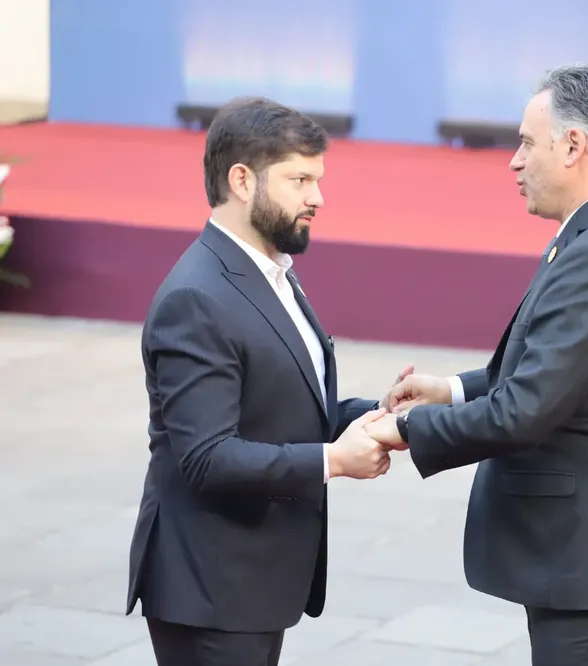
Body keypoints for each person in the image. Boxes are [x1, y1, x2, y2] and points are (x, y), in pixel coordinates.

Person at [365, 65, 588, 666]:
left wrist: (403, 430)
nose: (513, 161)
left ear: (574, 146)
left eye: (525, 142)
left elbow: (526, 410)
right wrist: (448, 391)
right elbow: (553, 371)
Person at [125, 96, 410, 666]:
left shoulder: (273, 271)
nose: (318, 198)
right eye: (299, 179)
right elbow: (206, 457)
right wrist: (332, 460)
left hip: (250, 582)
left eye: (318, 178)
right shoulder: (196, 298)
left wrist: (377, 416)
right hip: (209, 591)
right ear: (241, 180)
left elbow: (282, 406)